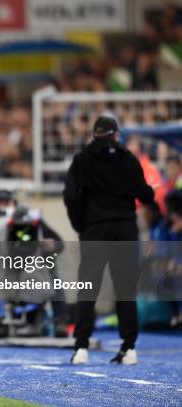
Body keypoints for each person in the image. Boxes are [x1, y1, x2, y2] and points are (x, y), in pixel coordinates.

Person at [64, 115, 155, 365]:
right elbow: (146, 195)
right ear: (116, 134)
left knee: (88, 289)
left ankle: (82, 347)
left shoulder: (83, 160)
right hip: (125, 229)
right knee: (126, 290)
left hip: (95, 230)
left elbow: (71, 196)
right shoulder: (129, 159)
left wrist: (80, 224)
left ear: (94, 135)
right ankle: (129, 347)